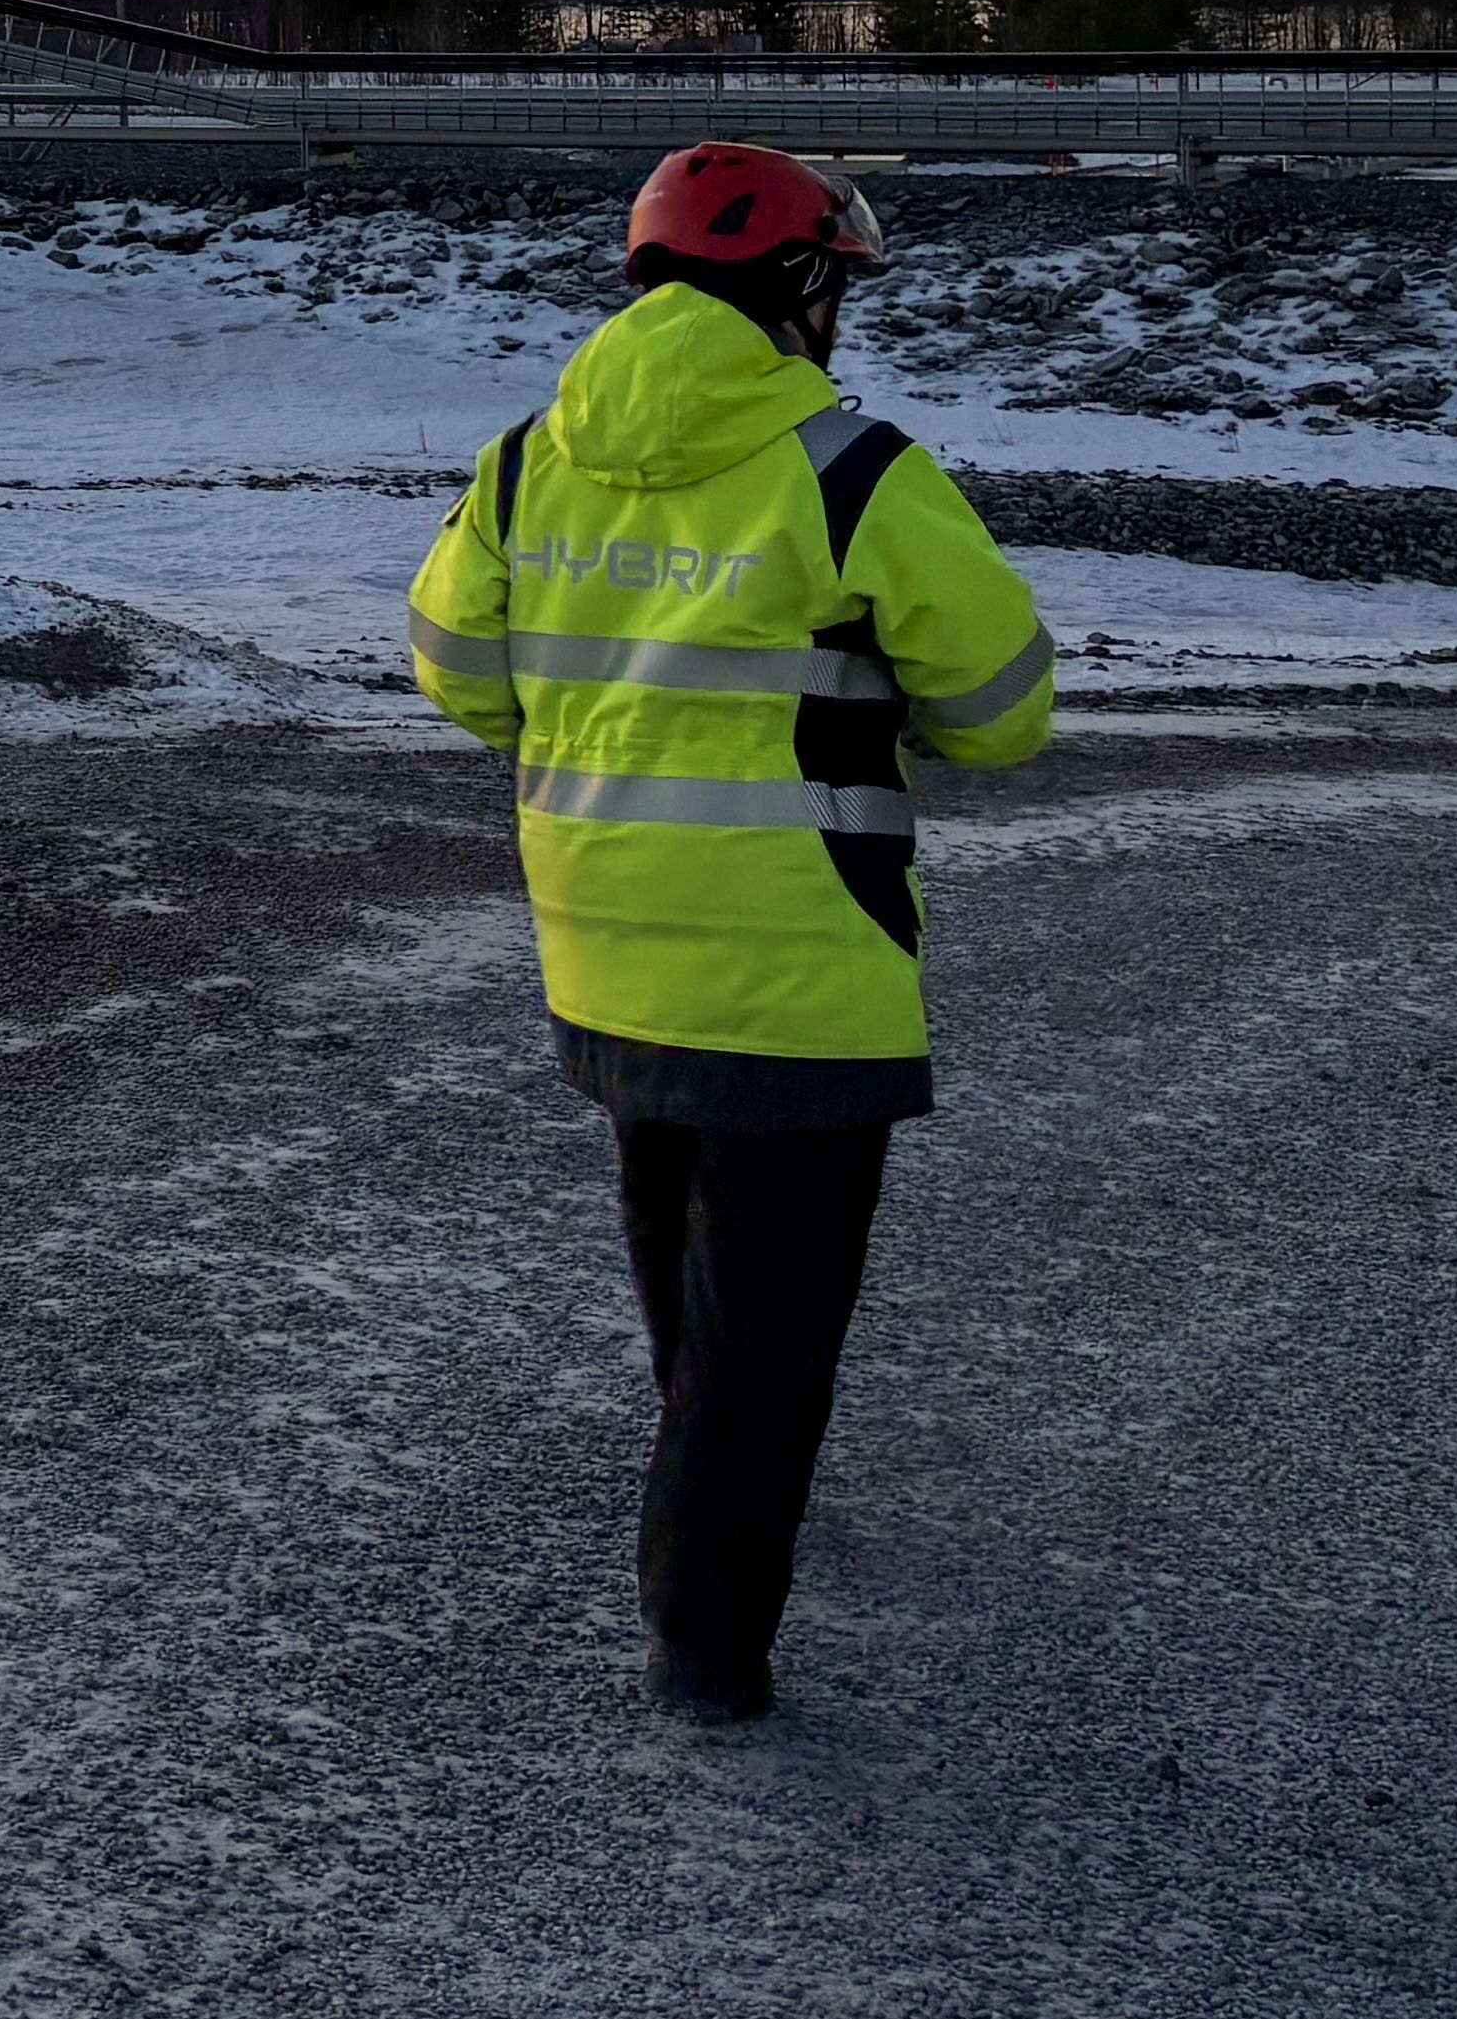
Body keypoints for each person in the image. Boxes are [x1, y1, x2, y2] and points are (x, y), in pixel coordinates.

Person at [405, 142, 1057, 1725]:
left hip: (604, 937)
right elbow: (1002, 712)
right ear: (797, 288)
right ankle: (707, 1639)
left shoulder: (524, 461)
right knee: (771, 1315)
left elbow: (452, 664)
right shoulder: (853, 471)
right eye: (832, 284)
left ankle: (714, 1477)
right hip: (797, 957)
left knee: (682, 1237)